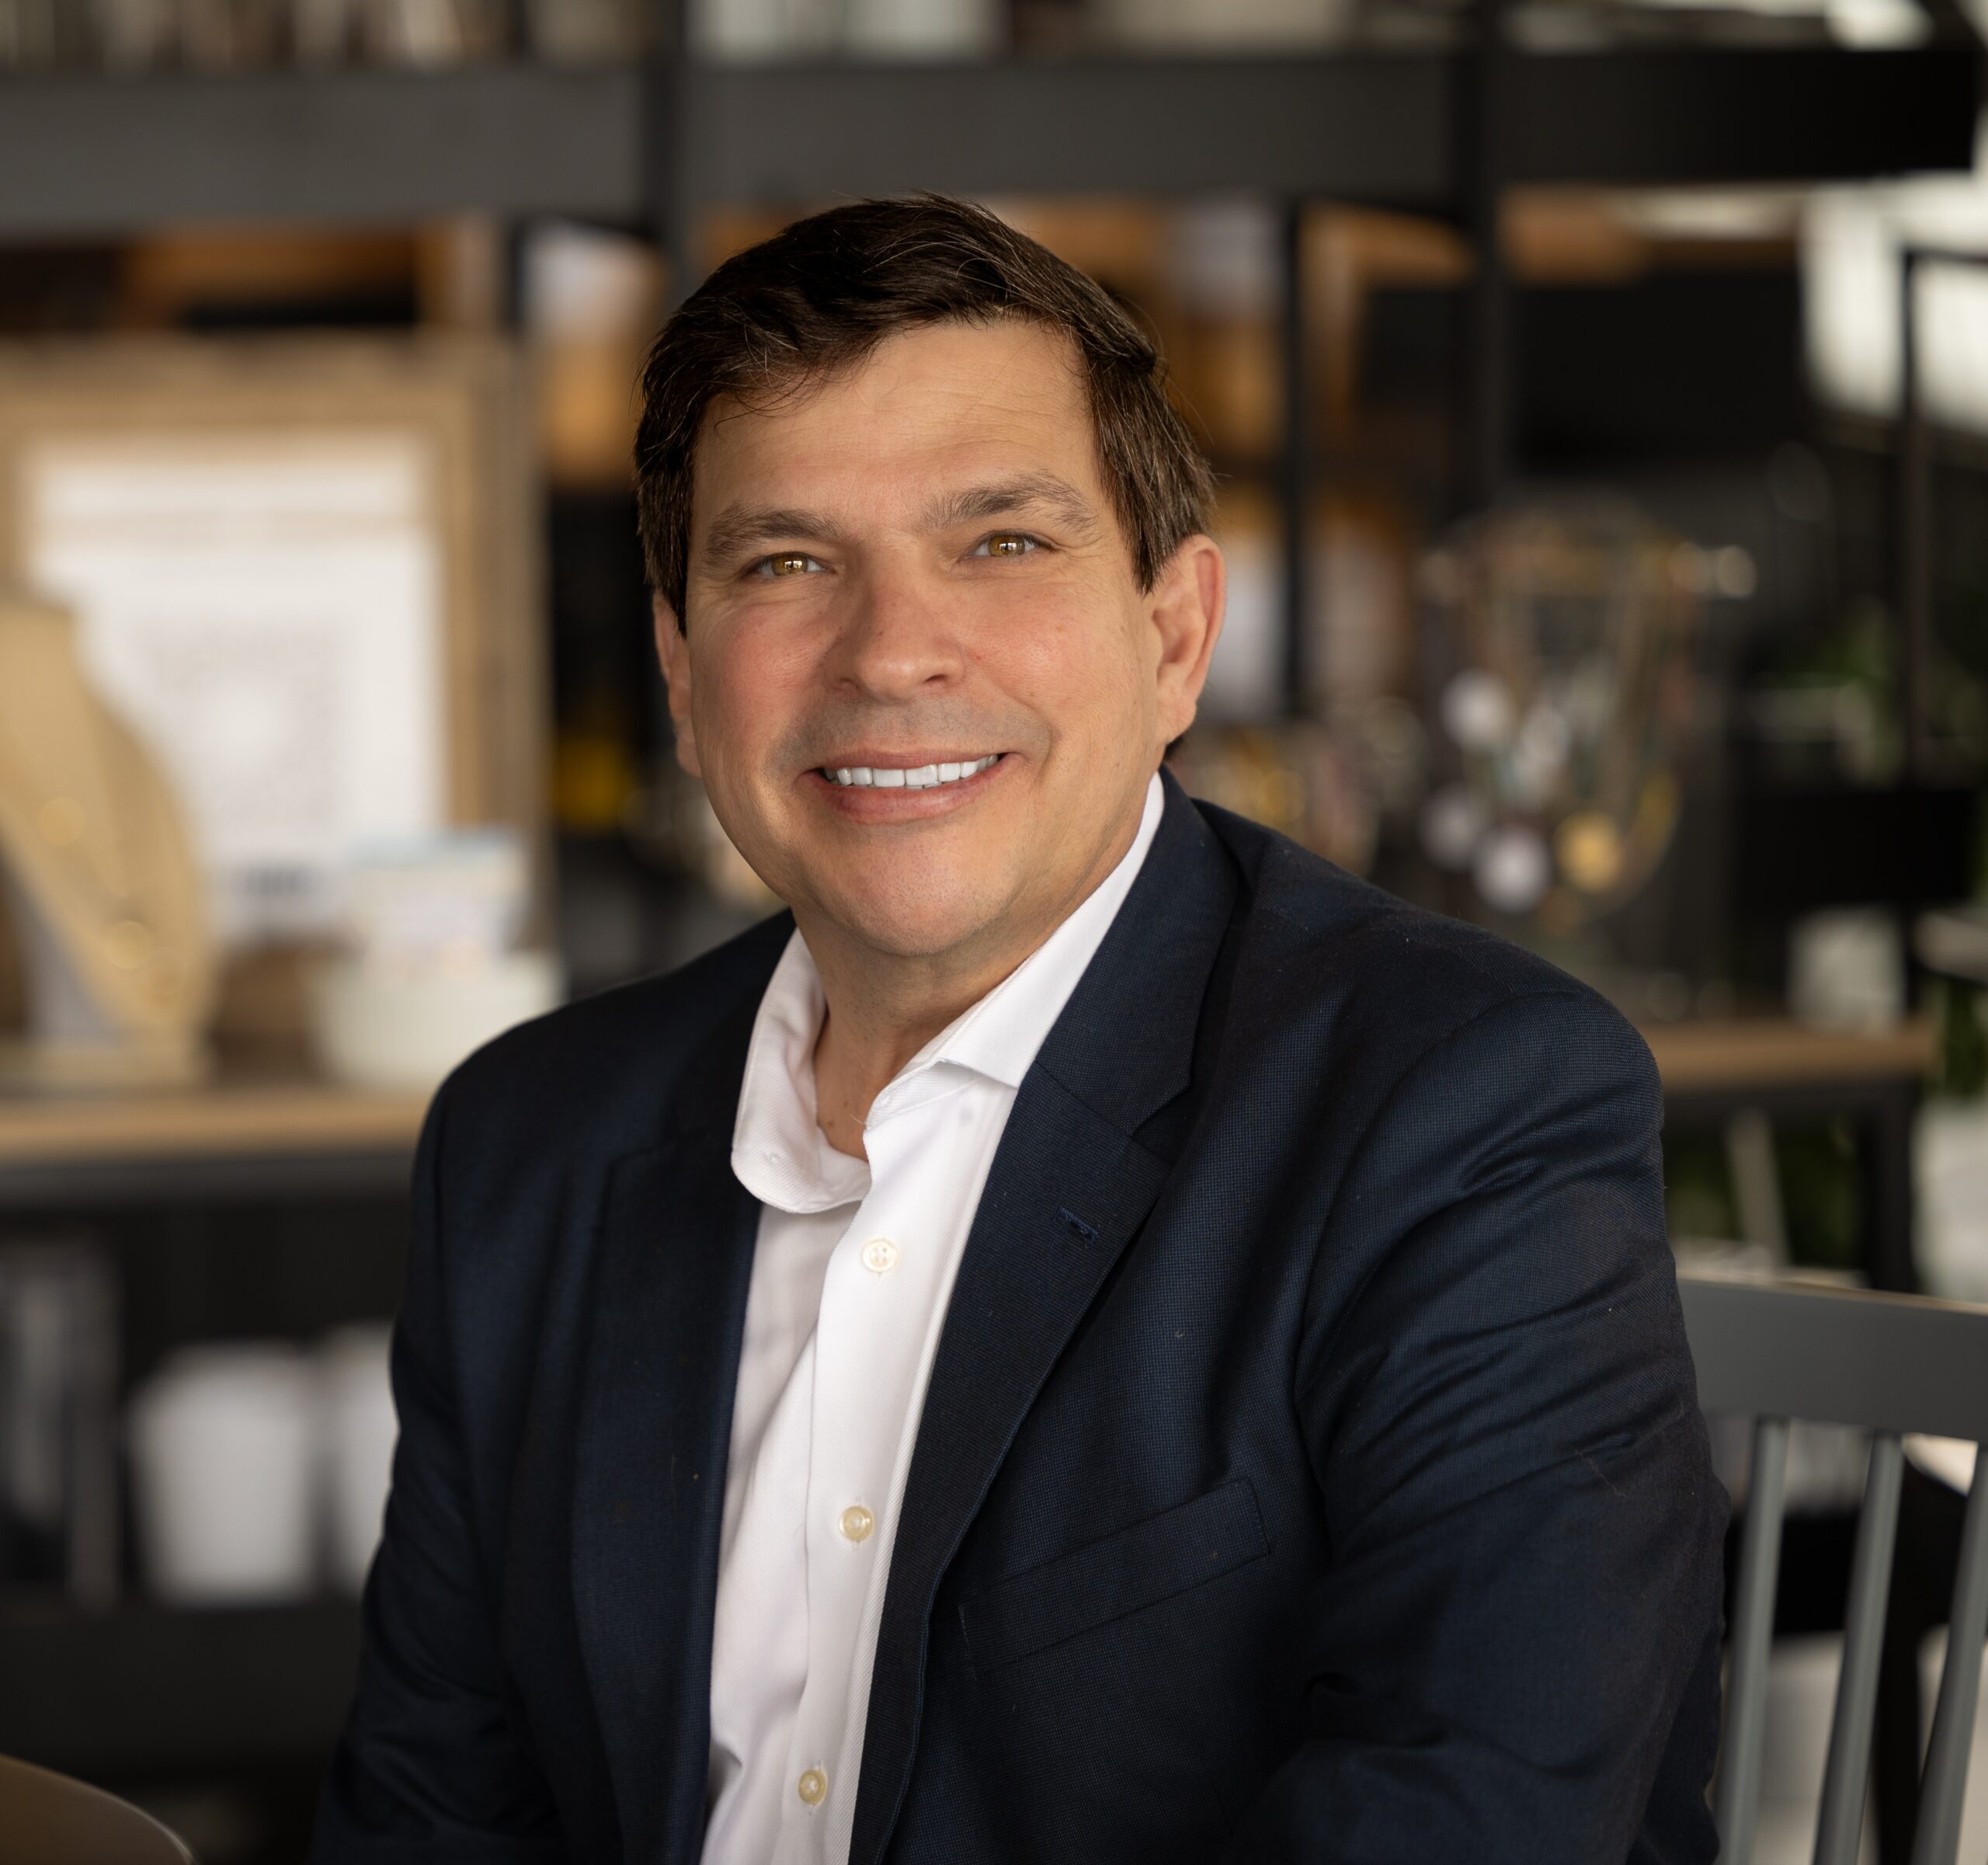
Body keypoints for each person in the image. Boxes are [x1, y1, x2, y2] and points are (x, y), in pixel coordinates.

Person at [312, 195, 1726, 1865]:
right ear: (684, 680)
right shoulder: (528, 1147)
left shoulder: (1459, 1106)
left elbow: (1465, 1819)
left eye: (999, 543)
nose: (893, 652)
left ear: (1174, 637)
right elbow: (429, 1824)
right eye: (787, 562)